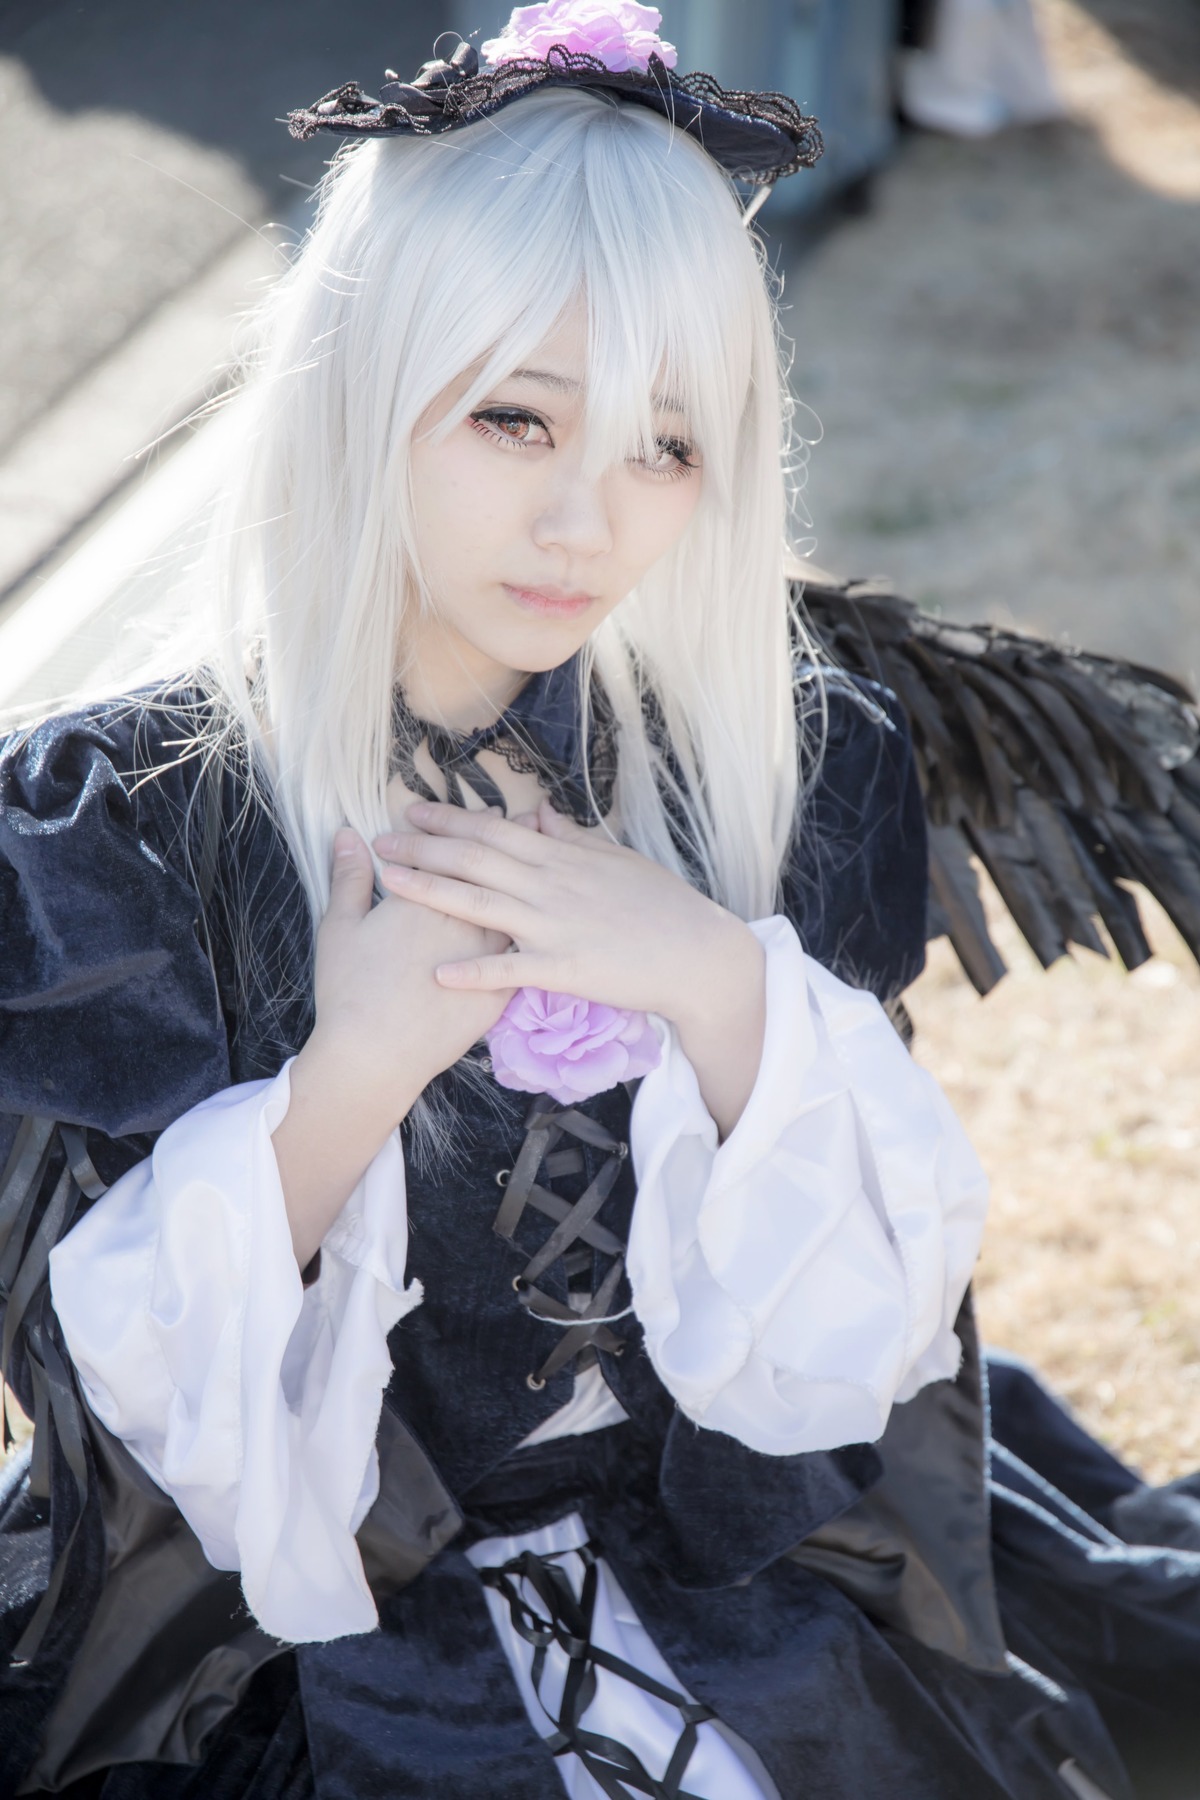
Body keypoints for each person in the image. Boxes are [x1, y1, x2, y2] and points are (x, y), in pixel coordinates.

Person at [2, 7, 1199, 1798]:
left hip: (730, 1569)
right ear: (362, 384)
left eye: (667, 445)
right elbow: (144, 1447)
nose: (588, 521)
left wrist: (720, 988)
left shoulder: (769, 766)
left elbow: (854, 1355)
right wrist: (352, 1079)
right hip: (310, 1650)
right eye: (513, 417)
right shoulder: (132, 825)